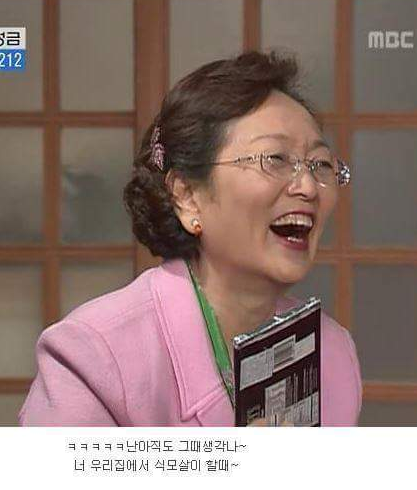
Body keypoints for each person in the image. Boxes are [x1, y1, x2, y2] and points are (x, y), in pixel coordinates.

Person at [18, 50, 362, 427]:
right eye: (275, 159)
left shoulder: (331, 352)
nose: (308, 186)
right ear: (187, 195)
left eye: (320, 164)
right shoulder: (95, 354)